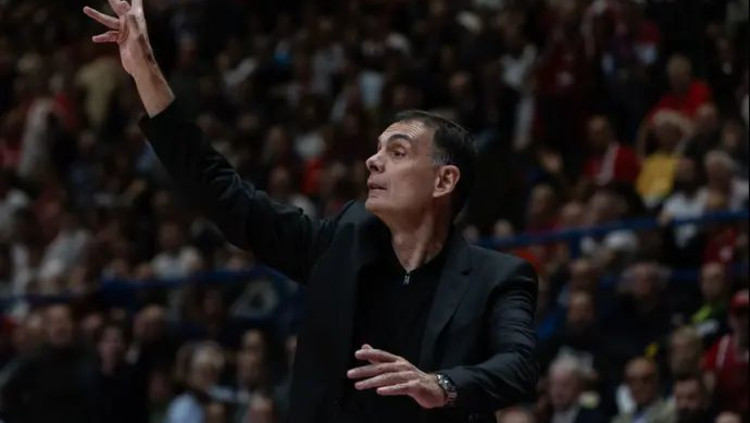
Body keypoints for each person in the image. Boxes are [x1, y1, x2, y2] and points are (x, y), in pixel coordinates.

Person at [82, 2, 539, 423]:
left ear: (444, 181)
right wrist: (145, 71)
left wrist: (441, 385)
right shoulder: (337, 245)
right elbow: (222, 193)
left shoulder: (496, 278)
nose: (372, 160)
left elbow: (518, 365)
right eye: (377, 149)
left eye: (398, 152)